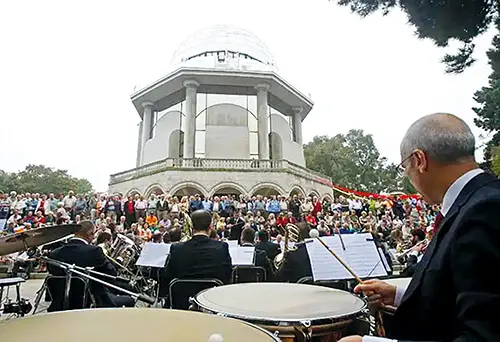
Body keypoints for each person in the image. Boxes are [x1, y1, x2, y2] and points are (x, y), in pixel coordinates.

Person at [339, 113, 500, 342]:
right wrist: (400, 295)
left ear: (419, 160)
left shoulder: (486, 210)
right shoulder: (474, 203)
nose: (407, 176)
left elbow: (484, 335)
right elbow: (460, 292)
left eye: (404, 167)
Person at [47, 220, 134, 312]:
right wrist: (119, 259)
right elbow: (111, 274)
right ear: (90, 234)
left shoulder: (54, 253)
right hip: (92, 301)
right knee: (130, 299)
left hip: (60, 304)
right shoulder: (94, 251)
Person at [161, 210, 233, 287]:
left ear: (192, 228)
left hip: (183, 297)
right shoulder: (222, 247)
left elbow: (168, 275)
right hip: (212, 296)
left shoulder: (176, 248)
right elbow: (227, 274)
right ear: (210, 228)